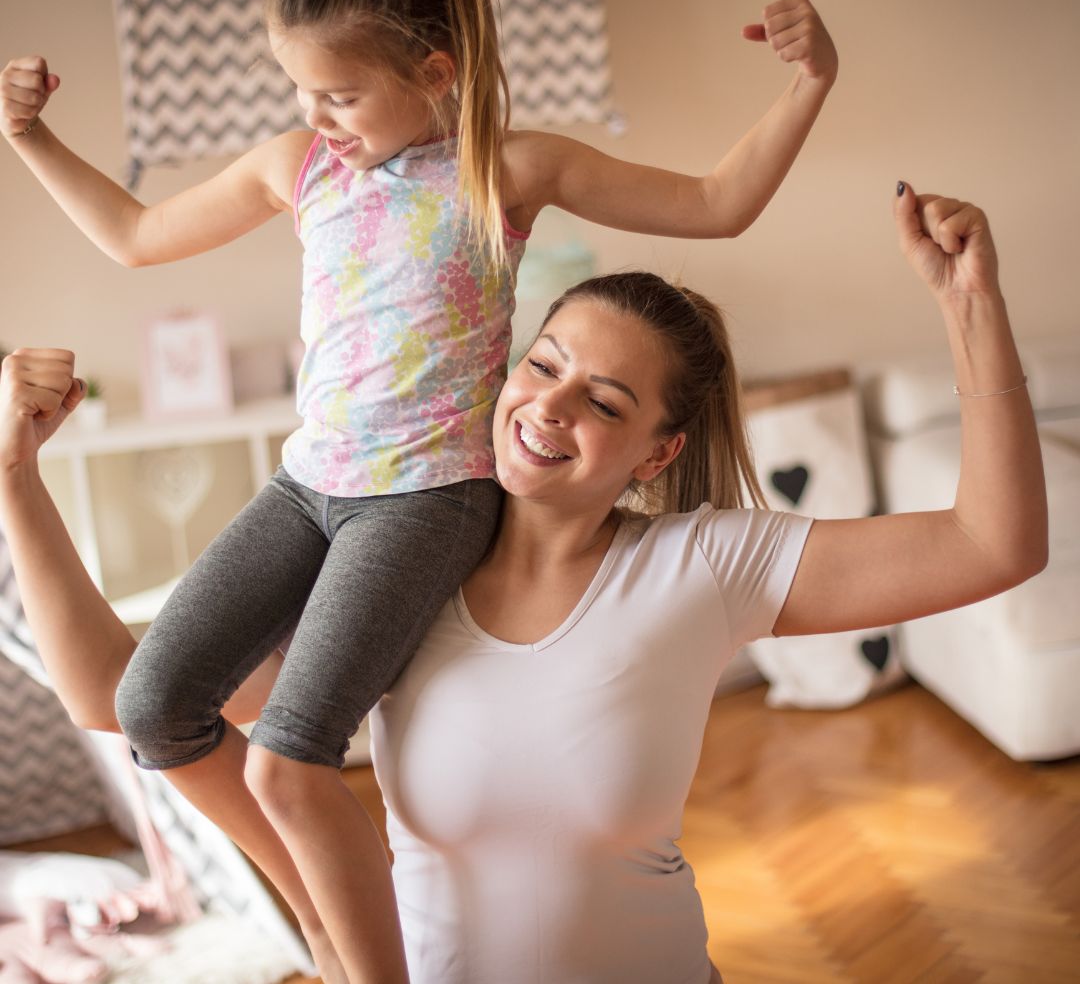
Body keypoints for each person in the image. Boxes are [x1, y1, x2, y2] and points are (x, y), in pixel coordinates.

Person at [1, 0, 838, 979]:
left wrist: (807, 83)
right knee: (153, 705)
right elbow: (131, 235)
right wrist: (31, 139)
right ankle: (322, 915)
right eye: (300, 90)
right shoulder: (295, 167)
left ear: (436, 70)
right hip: (308, 487)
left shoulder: (506, 169)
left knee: (290, 768)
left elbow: (719, 205)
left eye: (340, 95)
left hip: (427, 498)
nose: (317, 115)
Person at [0, 181, 1047, 982]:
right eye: (542, 366)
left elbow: (992, 545)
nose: (549, 408)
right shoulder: (397, 571)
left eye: (604, 399)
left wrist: (972, 306)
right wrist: (15, 475)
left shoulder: (703, 563)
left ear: (653, 452)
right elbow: (118, 696)